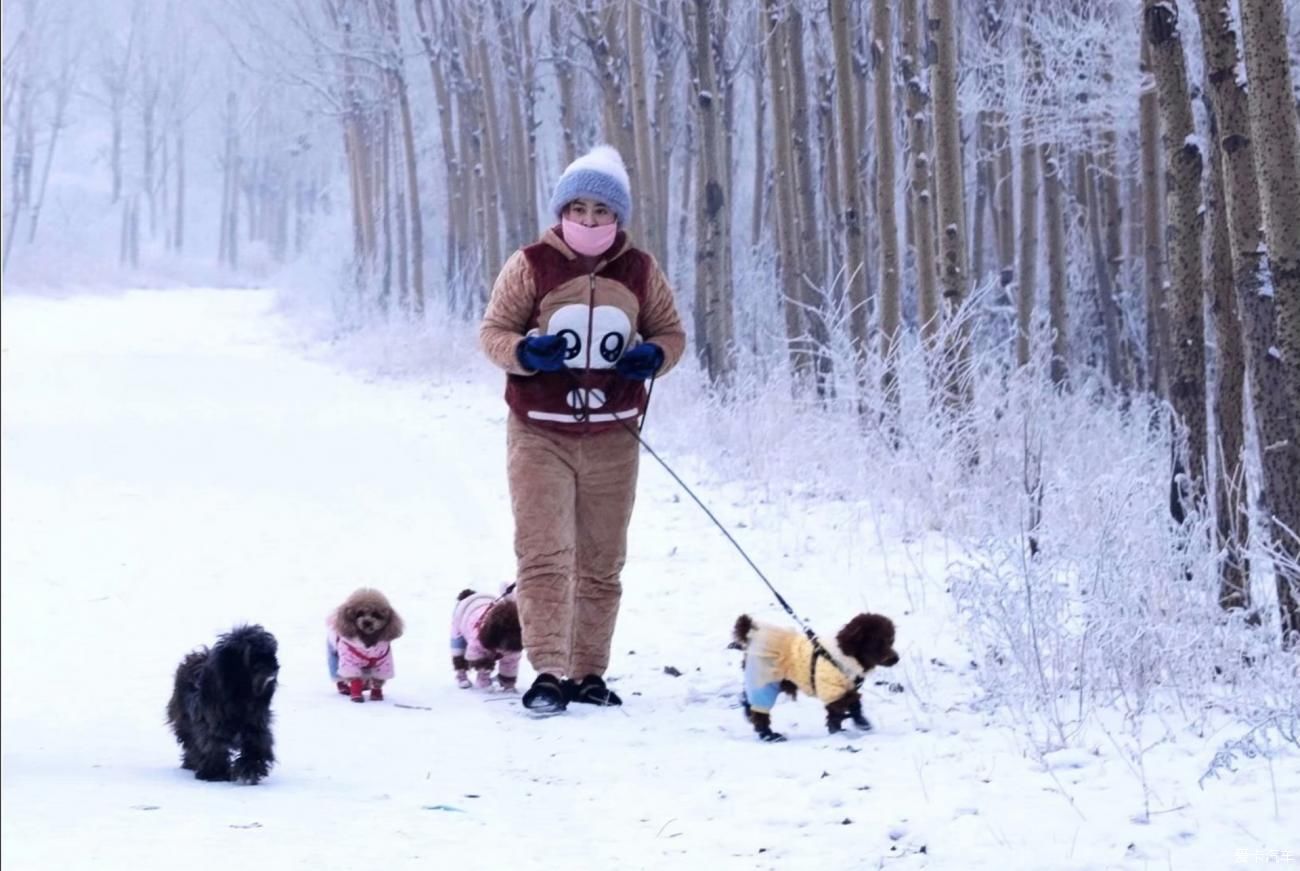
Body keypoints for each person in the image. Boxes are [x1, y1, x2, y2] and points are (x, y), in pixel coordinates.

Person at [479, 144, 686, 713]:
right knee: (545, 554)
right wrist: (526, 351)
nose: (590, 220)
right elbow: (493, 331)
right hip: (538, 433)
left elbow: (671, 334)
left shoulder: (640, 270)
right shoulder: (529, 265)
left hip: (615, 436)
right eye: (580, 208)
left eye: (602, 210)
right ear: (562, 212)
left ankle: (589, 672)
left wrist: (653, 358)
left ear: (618, 217)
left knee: (601, 560)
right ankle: (547, 672)